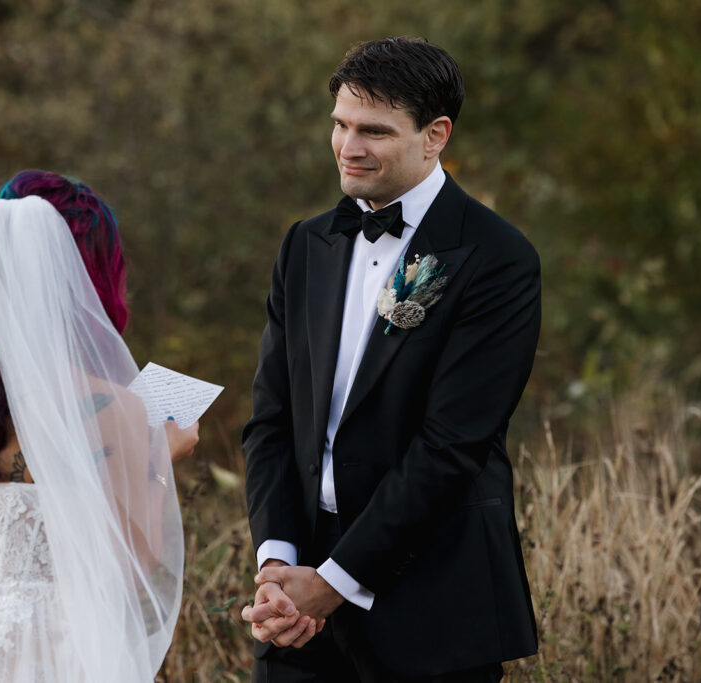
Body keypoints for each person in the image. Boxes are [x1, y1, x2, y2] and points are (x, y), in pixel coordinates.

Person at [241, 37, 540, 682]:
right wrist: (277, 563)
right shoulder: (304, 245)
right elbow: (271, 419)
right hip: (297, 607)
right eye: (341, 126)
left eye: (374, 131)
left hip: (432, 599)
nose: (349, 147)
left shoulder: (495, 257)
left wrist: (336, 581)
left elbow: (451, 446)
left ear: (435, 136)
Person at [0, 170, 199, 682]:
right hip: (59, 647)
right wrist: (157, 461)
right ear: (88, 276)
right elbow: (134, 570)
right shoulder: (113, 409)